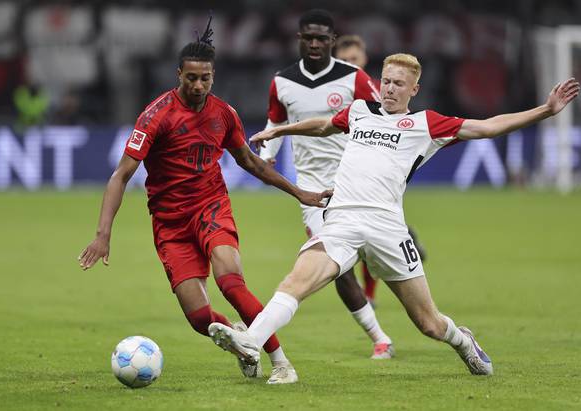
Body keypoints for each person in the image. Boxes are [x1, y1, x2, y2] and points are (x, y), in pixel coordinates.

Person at [208, 53, 579, 378]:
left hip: (387, 228)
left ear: (413, 89)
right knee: (295, 282)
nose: (389, 89)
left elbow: (487, 127)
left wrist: (545, 110)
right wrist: (280, 129)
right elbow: (322, 124)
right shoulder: (359, 111)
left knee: (428, 324)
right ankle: (251, 341)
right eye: (385, 81)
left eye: (399, 84)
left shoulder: (426, 124)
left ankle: (463, 342)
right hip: (343, 221)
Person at [77, 19, 331, 384]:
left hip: (211, 207)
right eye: (191, 78)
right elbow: (121, 175)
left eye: (205, 78)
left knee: (231, 282)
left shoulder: (223, 114)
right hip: (170, 223)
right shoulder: (155, 116)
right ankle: (239, 338)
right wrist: (103, 234)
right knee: (200, 320)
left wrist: (300, 193)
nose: (198, 85)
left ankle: (281, 363)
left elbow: (251, 162)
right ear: (178, 74)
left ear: (213, 77)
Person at [258, 9, 394, 360]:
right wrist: (268, 153)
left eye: (322, 38)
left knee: (380, 260)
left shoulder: (355, 78)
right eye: (309, 37)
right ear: (299, 39)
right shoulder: (282, 82)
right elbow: (276, 120)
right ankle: (379, 337)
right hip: (312, 189)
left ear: (332, 41)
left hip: (357, 180)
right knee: (334, 264)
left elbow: (385, 119)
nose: (315, 43)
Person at [334, 34, 428, 305]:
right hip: (343, 164)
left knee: (367, 230)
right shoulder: (334, 89)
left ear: (364, 59)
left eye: (354, 59)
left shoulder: (375, 90)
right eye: (343, 61)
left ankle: (371, 295)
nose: (350, 65)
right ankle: (406, 238)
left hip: (372, 166)